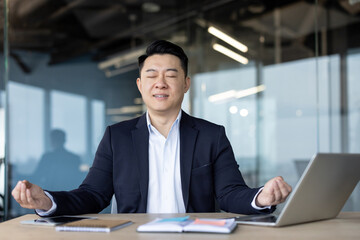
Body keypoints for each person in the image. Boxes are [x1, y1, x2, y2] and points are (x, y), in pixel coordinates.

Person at [12, 40, 291, 216]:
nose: (161, 83)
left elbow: (230, 193)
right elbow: (92, 195)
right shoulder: (117, 137)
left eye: (171, 75)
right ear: (140, 85)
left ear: (185, 84)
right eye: (151, 75)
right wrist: (47, 201)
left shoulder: (211, 135)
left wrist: (261, 197)